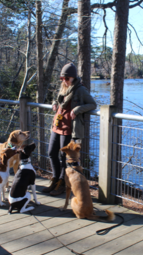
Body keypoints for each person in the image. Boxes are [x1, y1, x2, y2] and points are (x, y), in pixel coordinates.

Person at [42, 63, 97, 196]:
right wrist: (54, 103)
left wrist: (78, 109)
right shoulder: (63, 88)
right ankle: (55, 179)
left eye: (67, 78)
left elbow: (93, 104)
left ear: (73, 77)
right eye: (62, 78)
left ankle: (62, 182)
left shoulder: (80, 89)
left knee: (63, 156)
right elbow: (58, 100)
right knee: (51, 152)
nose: (64, 81)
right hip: (58, 124)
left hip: (69, 127)